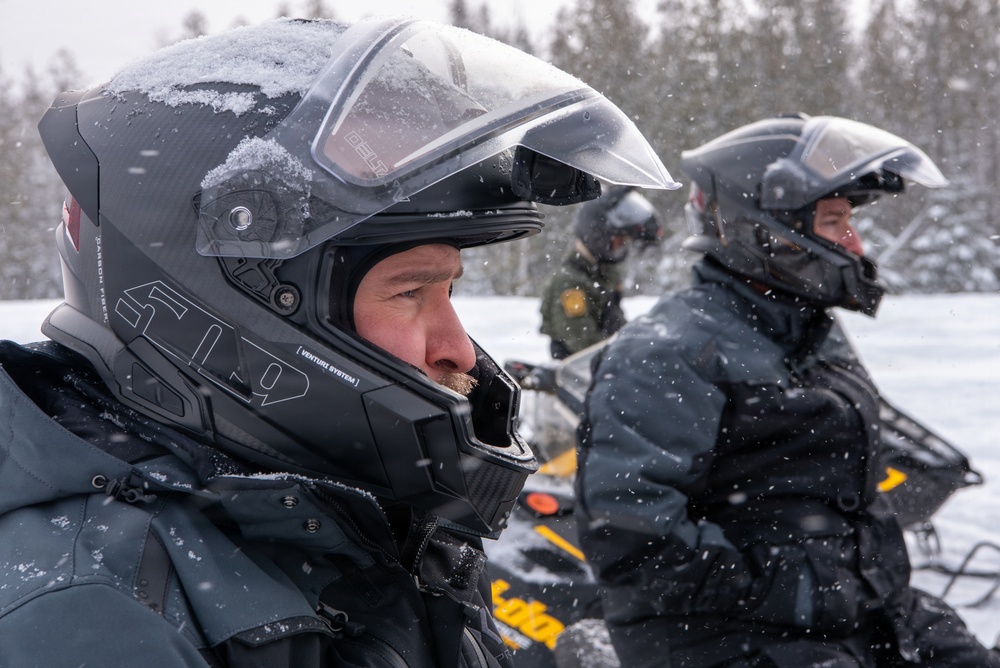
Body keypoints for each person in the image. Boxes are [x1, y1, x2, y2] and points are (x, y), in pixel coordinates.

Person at [0, 17, 678, 667]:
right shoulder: (92, 614)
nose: (462, 352)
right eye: (409, 293)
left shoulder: (346, 516)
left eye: (449, 291)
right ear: (227, 314)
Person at [574, 114, 1000, 667]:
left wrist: (858, 579)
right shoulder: (671, 350)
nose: (855, 242)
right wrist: (800, 588)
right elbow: (631, 537)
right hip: (729, 639)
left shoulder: (805, 331)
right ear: (766, 229)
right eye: (834, 221)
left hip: (855, 612)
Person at [539, 186, 660, 359]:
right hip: (580, 377)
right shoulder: (570, 282)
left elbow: (616, 324)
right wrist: (628, 354)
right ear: (599, 234)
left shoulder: (605, 273)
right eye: (619, 240)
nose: (621, 247)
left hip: (604, 371)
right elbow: (583, 343)